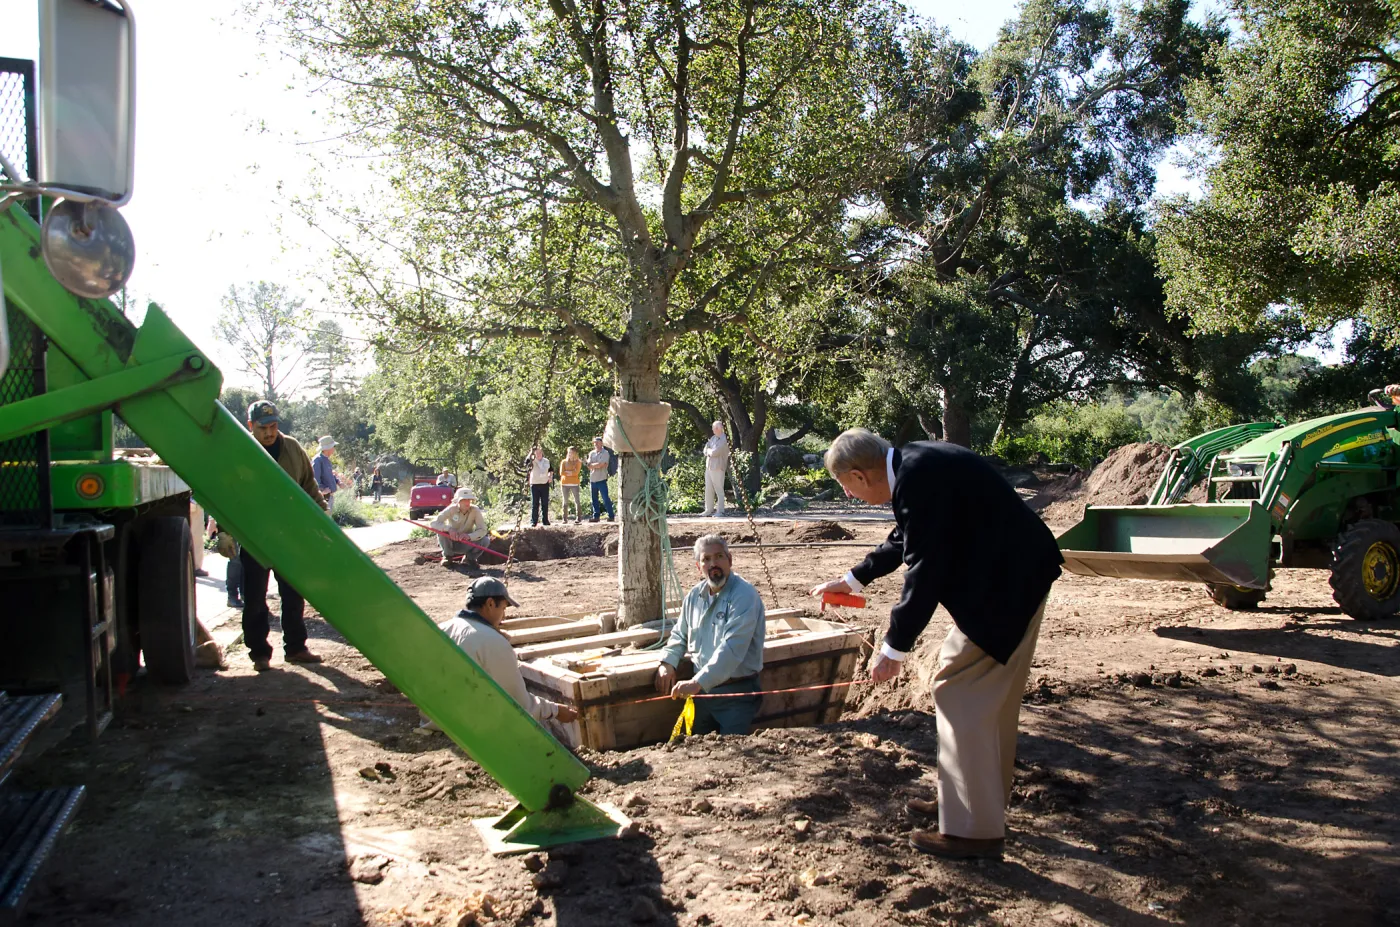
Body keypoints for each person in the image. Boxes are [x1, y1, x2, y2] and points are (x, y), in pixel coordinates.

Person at [810, 428, 1062, 860]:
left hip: (1008, 590)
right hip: (1018, 577)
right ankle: (970, 801)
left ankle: (973, 831)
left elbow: (925, 570)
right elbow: (907, 536)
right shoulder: (916, 463)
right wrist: (854, 578)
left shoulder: (917, 479)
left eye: (846, 486)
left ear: (859, 475)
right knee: (986, 697)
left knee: (957, 689)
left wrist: (894, 647)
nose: (849, 495)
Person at [420, 577, 578, 735]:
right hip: (466, 727)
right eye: (503, 608)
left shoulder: (440, 629)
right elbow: (517, 702)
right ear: (490, 604)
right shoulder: (491, 641)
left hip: (434, 719)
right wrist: (555, 710)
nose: (504, 617)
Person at [241, 400, 328, 672]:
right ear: (251, 426)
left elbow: (309, 484)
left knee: (293, 593)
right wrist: (223, 530)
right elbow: (228, 491)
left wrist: (323, 515)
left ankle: (296, 648)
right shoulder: (241, 449)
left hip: (290, 534)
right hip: (254, 535)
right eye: (263, 428)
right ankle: (259, 653)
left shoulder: (292, 447)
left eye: (273, 426)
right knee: (255, 598)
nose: (269, 433)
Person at [654, 535, 767, 735]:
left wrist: (697, 683)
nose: (713, 563)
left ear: (729, 560)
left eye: (719, 556)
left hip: (736, 695)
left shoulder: (744, 595)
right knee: (696, 747)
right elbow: (680, 634)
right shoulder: (694, 597)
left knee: (733, 749)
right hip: (702, 695)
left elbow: (732, 648)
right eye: (706, 559)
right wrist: (668, 662)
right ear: (699, 567)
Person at [430, 487, 489, 570]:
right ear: (458, 501)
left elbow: (482, 529)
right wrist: (449, 529)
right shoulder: (451, 509)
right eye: (464, 500)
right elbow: (433, 523)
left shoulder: (475, 510)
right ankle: (448, 556)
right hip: (450, 542)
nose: (467, 502)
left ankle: (469, 559)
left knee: (485, 540)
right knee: (441, 532)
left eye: (469, 500)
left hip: (466, 543)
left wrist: (469, 536)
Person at [702, 420, 730, 517]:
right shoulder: (713, 438)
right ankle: (708, 510)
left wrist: (709, 451)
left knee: (719, 489)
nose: (713, 430)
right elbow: (705, 449)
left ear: (718, 428)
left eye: (714, 428)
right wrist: (708, 451)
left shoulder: (724, 439)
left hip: (718, 467)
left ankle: (720, 511)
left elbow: (715, 452)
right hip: (709, 467)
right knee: (708, 489)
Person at [587, 436, 615, 522]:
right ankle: (596, 516)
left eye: (597, 442)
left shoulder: (605, 453)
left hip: (602, 479)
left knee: (605, 498)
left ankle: (611, 515)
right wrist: (595, 465)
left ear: (601, 443)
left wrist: (594, 465)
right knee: (594, 499)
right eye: (594, 443)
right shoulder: (591, 453)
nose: (595, 444)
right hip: (593, 479)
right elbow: (588, 465)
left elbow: (602, 464)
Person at [528, 446, 552, 527]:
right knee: (535, 503)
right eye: (536, 453)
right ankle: (534, 521)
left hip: (544, 483)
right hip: (535, 484)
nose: (538, 454)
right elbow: (526, 462)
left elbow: (550, 470)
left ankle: (545, 520)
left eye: (539, 452)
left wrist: (550, 476)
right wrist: (531, 452)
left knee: (545, 503)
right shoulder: (532, 461)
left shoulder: (546, 461)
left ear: (542, 452)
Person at [559, 446, 584, 524]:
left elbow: (576, 472)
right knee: (565, 501)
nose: (570, 454)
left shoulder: (578, 462)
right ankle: (564, 519)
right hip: (564, 483)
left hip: (574, 484)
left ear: (575, 453)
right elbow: (561, 472)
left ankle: (578, 518)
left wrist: (568, 472)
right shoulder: (564, 462)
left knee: (577, 501)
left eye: (572, 452)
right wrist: (571, 472)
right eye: (569, 452)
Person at [313, 436, 338, 505]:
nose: (334, 449)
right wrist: (322, 490)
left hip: (329, 497)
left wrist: (338, 481)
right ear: (328, 448)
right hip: (323, 498)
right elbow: (315, 478)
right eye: (333, 446)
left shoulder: (326, 460)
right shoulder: (318, 460)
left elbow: (328, 475)